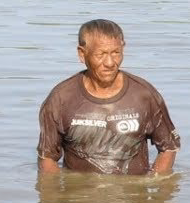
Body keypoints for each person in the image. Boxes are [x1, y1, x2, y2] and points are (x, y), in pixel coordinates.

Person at [37, 19, 181, 176]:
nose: (110, 62)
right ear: (81, 53)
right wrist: (56, 196)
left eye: (116, 53)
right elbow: (47, 158)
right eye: (101, 54)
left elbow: (169, 148)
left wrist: (154, 181)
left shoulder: (144, 95)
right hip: (80, 198)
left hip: (133, 197)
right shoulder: (61, 99)